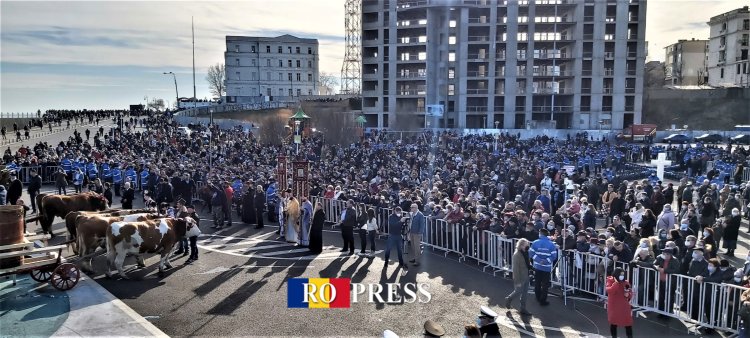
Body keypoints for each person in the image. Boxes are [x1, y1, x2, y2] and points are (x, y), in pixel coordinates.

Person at [529, 228, 557, 306]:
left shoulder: (535, 242)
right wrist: (545, 261)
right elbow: (554, 256)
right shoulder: (551, 244)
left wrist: (538, 260)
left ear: (540, 234)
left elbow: (531, 253)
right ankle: (543, 300)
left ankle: (537, 297)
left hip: (537, 266)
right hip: (547, 267)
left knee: (537, 283)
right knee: (545, 285)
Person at [505, 238, 531, 316]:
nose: (528, 246)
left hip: (526, 276)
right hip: (520, 277)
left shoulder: (526, 253)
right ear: (521, 245)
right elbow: (515, 269)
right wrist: (517, 281)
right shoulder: (516, 255)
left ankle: (523, 308)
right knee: (518, 291)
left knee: (525, 294)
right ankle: (509, 298)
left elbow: (528, 264)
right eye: (526, 244)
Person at [606, 267, 634, 338]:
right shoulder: (610, 281)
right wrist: (616, 283)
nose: (622, 276)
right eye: (621, 274)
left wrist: (628, 295)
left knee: (628, 324)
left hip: (624, 307)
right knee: (613, 324)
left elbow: (630, 292)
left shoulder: (626, 282)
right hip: (614, 306)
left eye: (623, 274)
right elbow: (609, 291)